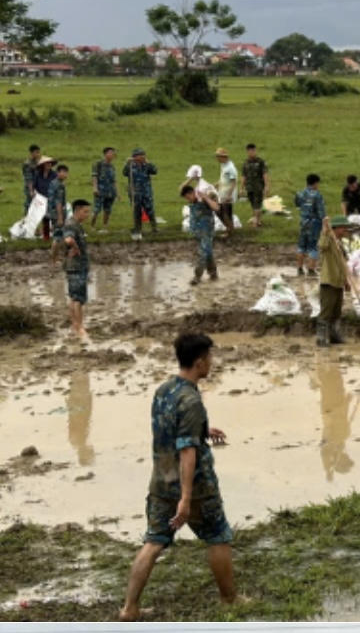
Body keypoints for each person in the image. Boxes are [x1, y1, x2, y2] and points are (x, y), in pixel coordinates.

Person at [119, 333, 236, 622]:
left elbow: (169, 428)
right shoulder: (191, 401)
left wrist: (203, 430)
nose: (212, 363)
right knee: (218, 536)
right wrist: (185, 498)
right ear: (199, 362)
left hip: (160, 481)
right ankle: (230, 601)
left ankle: (129, 608)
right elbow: (187, 452)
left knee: (154, 541)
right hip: (195, 488)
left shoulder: (164, 390)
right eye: (210, 358)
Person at [316, 215, 353, 347]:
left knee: (336, 312)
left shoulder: (339, 243)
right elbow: (322, 245)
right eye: (343, 228)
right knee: (326, 311)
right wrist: (324, 230)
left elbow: (342, 264)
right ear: (336, 229)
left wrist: (346, 281)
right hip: (329, 281)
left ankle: (334, 336)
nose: (345, 230)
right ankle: (321, 338)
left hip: (338, 282)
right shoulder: (329, 241)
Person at [62, 198, 92, 342]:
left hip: (77, 266)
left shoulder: (76, 224)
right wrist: (75, 248)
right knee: (78, 298)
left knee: (74, 297)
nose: (87, 215)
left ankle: (75, 325)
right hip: (76, 266)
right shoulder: (71, 225)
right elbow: (68, 239)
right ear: (78, 210)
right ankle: (79, 327)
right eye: (85, 212)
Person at [181, 182, 221, 286]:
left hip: (207, 231)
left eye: (187, 197)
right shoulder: (194, 199)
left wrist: (206, 197)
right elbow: (181, 188)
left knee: (202, 253)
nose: (187, 200)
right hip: (198, 231)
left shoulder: (204, 197)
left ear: (192, 193)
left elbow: (216, 207)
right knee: (208, 251)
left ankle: (197, 276)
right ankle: (213, 273)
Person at [123, 148, 159, 241]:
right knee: (137, 211)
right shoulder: (131, 166)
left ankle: (154, 227)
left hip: (146, 191)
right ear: (135, 157)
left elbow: (155, 171)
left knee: (149, 209)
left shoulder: (146, 165)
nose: (143, 157)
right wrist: (127, 163)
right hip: (135, 193)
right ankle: (138, 228)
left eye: (143, 155)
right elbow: (124, 173)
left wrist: (148, 163)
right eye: (140, 155)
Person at [294, 173, 325, 277]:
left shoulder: (300, 194)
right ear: (315, 183)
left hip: (303, 222)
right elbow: (321, 213)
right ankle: (311, 270)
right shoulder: (317, 195)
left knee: (301, 246)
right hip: (314, 223)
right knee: (313, 246)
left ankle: (299, 268)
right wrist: (325, 223)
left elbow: (297, 204)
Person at [240, 143, 269, 228]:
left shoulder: (260, 162)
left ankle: (255, 222)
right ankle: (258, 220)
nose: (252, 152)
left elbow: (265, 174)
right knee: (253, 204)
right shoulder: (245, 163)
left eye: (253, 150)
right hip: (249, 187)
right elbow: (243, 176)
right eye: (250, 151)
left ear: (256, 151)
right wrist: (241, 188)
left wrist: (267, 186)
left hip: (258, 187)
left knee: (257, 204)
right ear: (247, 152)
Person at [91, 147, 117, 231]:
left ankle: (105, 226)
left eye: (113, 153)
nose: (112, 155)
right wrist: (95, 188)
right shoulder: (98, 164)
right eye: (110, 153)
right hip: (100, 191)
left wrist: (117, 192)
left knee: (108, 210)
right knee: (96, 210)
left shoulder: (112, 167)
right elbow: (94, 176)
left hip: (110, 192)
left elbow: (114, 180)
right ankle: (92, 226)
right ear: (105, 154)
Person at [214, 148, 238, 237]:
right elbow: (223, 179)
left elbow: (233, 182)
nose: (217, 159)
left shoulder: (230, 168)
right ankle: (230, 229)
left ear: (223, 157)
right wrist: (217, 184)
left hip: (228, 195)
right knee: (226, 212)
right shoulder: (223, 165)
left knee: (223, 212)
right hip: (223, 193)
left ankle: (229, 230)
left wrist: (229, 195)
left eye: (218, 156)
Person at [33, 155, 58, 242]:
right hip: (41, 199)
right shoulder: (38, 175)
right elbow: (34, 186)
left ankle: (56, 235)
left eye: (50, 164)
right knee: (45, 217)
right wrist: (35, 193)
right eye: (47, 164)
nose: (49, 165)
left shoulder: (54, 175)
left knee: (54, 217)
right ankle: (46, 236)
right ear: (43, 165)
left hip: (52, 198)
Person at [47, 163, 69, 252]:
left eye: (66, 172)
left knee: (59, 235)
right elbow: (58, 202)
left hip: (52, 212)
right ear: (58, 173)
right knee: (58, 237)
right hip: (57, 213)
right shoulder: (60, 185)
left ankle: (58, 256)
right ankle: (53, 259)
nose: (65, 174)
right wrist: (60, 217)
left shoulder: (53, 182)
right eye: (62, 172)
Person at [22, 143, 41, 214]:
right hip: (30, 187)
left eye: (39, 152)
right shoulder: (28, 164)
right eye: (36, 152)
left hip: (37, 186)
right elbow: (28, 178)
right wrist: (31, 190)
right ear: (31, 153)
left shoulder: (38, 162)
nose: (38, 154)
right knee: (29, 203)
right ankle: (25, 219)